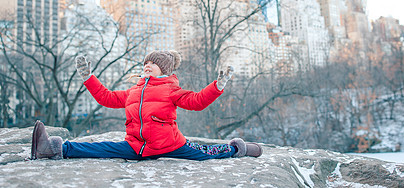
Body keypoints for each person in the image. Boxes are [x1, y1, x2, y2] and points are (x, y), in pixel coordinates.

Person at [31, 50, 262, 161]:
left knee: (208, 152)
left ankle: (238, 149)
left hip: (170, 145)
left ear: (165, 69)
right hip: (135, 146)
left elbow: (197, 102)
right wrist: (88, 77)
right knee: (99, 148)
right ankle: (52, 149)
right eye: (147, 62)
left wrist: (217, 86)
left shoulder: (171, 89)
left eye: (154, 63)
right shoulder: (134, 90)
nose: (148, 65)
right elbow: (106, 97)